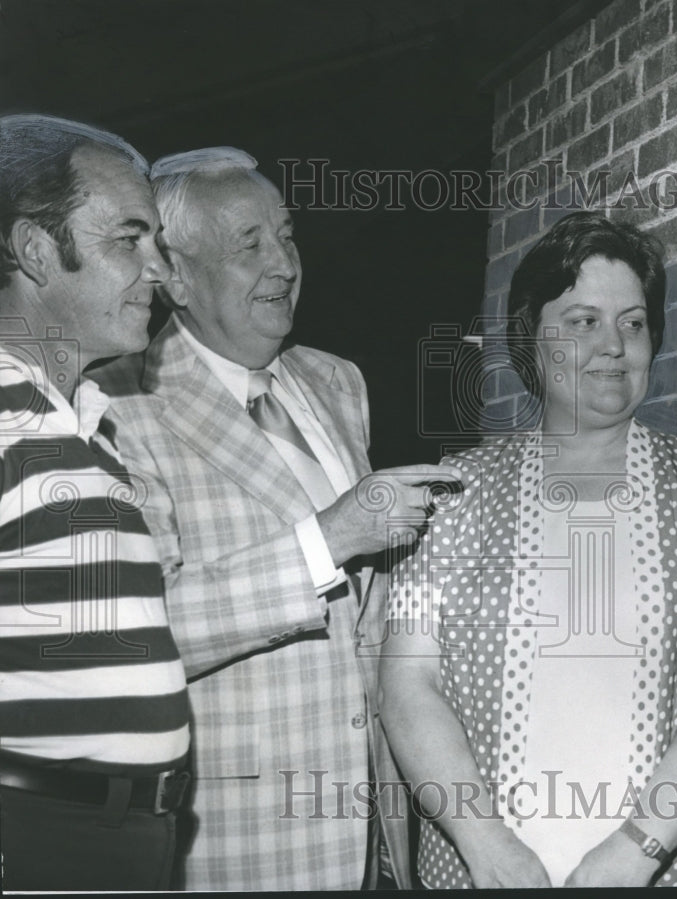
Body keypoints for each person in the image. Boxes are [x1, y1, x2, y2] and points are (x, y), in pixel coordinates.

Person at [380, 211, 677, 888]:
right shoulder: (456, 491)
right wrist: (487, 849)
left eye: (633, 322)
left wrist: (630, 856)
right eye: (582, 321)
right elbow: (407, 686)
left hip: (668, 869)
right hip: (482, 872)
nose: (614, 344)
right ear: (530, 340)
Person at [92, 146, 456, 891]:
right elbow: (134, 632)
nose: (284, 263)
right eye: (249, 244)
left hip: (375, 832)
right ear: (179, 276)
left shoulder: (336, 380)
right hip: (238, 844)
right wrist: (329, 539)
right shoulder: (117, 406)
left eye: (286, 235)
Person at [0, 114, 190, 891]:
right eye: (128, 240)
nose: (161, 273)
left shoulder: (86, 423)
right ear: (37, 250)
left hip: (125, 839)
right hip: (42, 843)